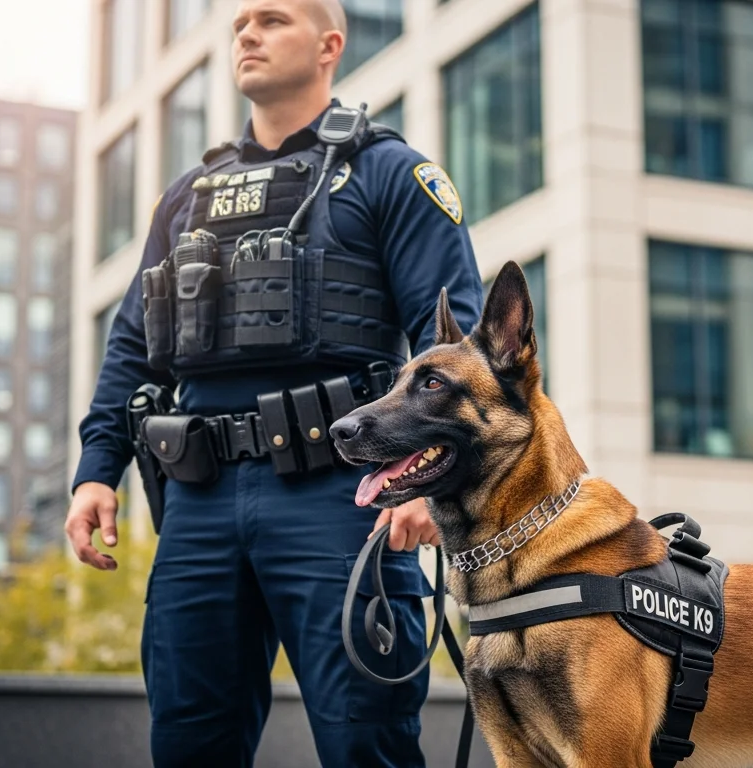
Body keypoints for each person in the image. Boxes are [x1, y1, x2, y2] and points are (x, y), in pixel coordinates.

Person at [64, 0, 485, 765]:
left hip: (343, 496)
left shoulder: (390, 171)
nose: (248, 34)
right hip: (197, 504)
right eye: (239, 24)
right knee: (189, 742)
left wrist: (434, 481)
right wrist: (96, 472)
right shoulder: (187, 196)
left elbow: (453, 343)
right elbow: (133, 344)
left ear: (330, 44)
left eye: (272, 19)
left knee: (369, 742)